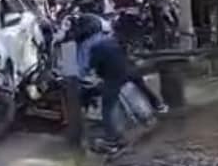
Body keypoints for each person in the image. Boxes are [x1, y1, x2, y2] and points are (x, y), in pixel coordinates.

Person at [70, 14, 167, 150]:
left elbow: (85, 69)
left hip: (112, 78)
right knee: (140, 83)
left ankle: (112, 140)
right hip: (126, 70)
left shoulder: (88, 45)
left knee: (107, 107)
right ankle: (158, 105)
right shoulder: (108, 38)